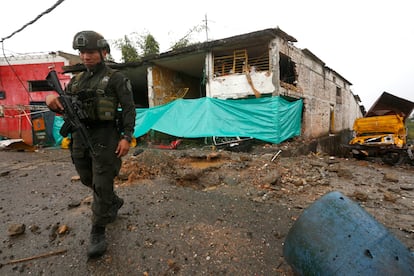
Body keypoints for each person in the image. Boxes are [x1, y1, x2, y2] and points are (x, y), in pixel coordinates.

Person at [45, 30, 136, 258]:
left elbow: (128, 109)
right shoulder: (76, 81)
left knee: (102, 183)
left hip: (106, 137)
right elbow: (62, 107)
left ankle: (98, 231)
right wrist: (52, 102)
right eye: (82, 52)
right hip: (79, 138)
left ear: (103, 52)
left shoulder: (115, 78)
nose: (86, 57)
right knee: (88, 179)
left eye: (91, 52)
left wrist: (126, 137)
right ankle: (113, 202)